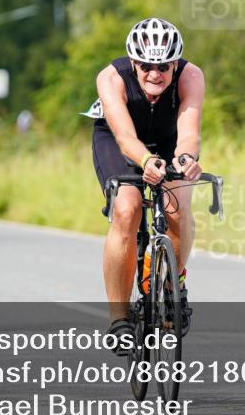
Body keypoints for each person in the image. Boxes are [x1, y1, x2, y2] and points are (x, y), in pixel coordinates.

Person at [84, 18, 205, 350]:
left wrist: (185, 159)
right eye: (147, 65)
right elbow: (124, 137)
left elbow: (189, 130)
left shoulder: (190, 76)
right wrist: (146, 162)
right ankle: (119, 319)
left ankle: (172, 284)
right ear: (134, 62)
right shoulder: (111, 78)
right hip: (118, 140)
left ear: (175, 63)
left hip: (168, 139)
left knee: (177, 203)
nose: (156, 73)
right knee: (127, 209)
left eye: (164, 65)